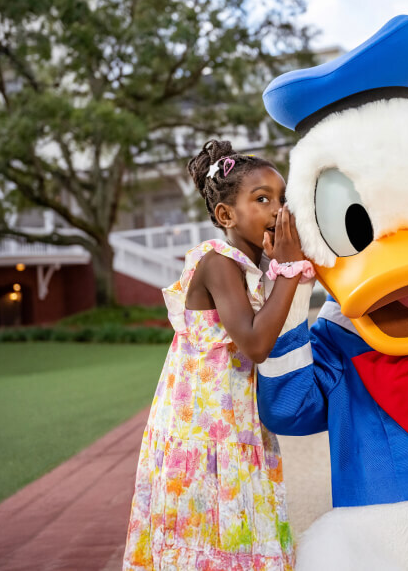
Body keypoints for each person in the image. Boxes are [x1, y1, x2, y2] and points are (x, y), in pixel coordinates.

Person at [122, 140, 312, 571]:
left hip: (236, 427)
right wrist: (289, 268)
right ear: (226, 215)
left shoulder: (251, 272)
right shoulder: (218, 262)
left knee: (241, 537)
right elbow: (255, 343)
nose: (277, 211)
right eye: (262, 199)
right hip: (205, 435)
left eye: (282, 200)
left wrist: (284, 272)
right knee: (208, 543)